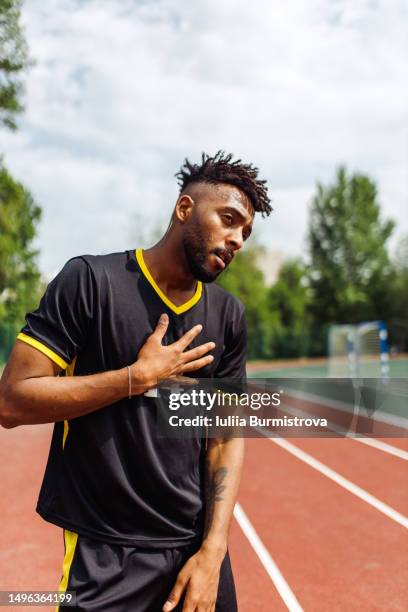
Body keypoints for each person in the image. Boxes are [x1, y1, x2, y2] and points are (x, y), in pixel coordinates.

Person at [0, 151, 271, 611]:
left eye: (244, 232)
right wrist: (135, 378)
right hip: (108, 552)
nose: (236, 239)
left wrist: (214, 550)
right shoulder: (91, 281)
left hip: (194, 551)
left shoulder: (228, 315)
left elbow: (224, 439)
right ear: (185, 209)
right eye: (228, 220)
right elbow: (12, 401)